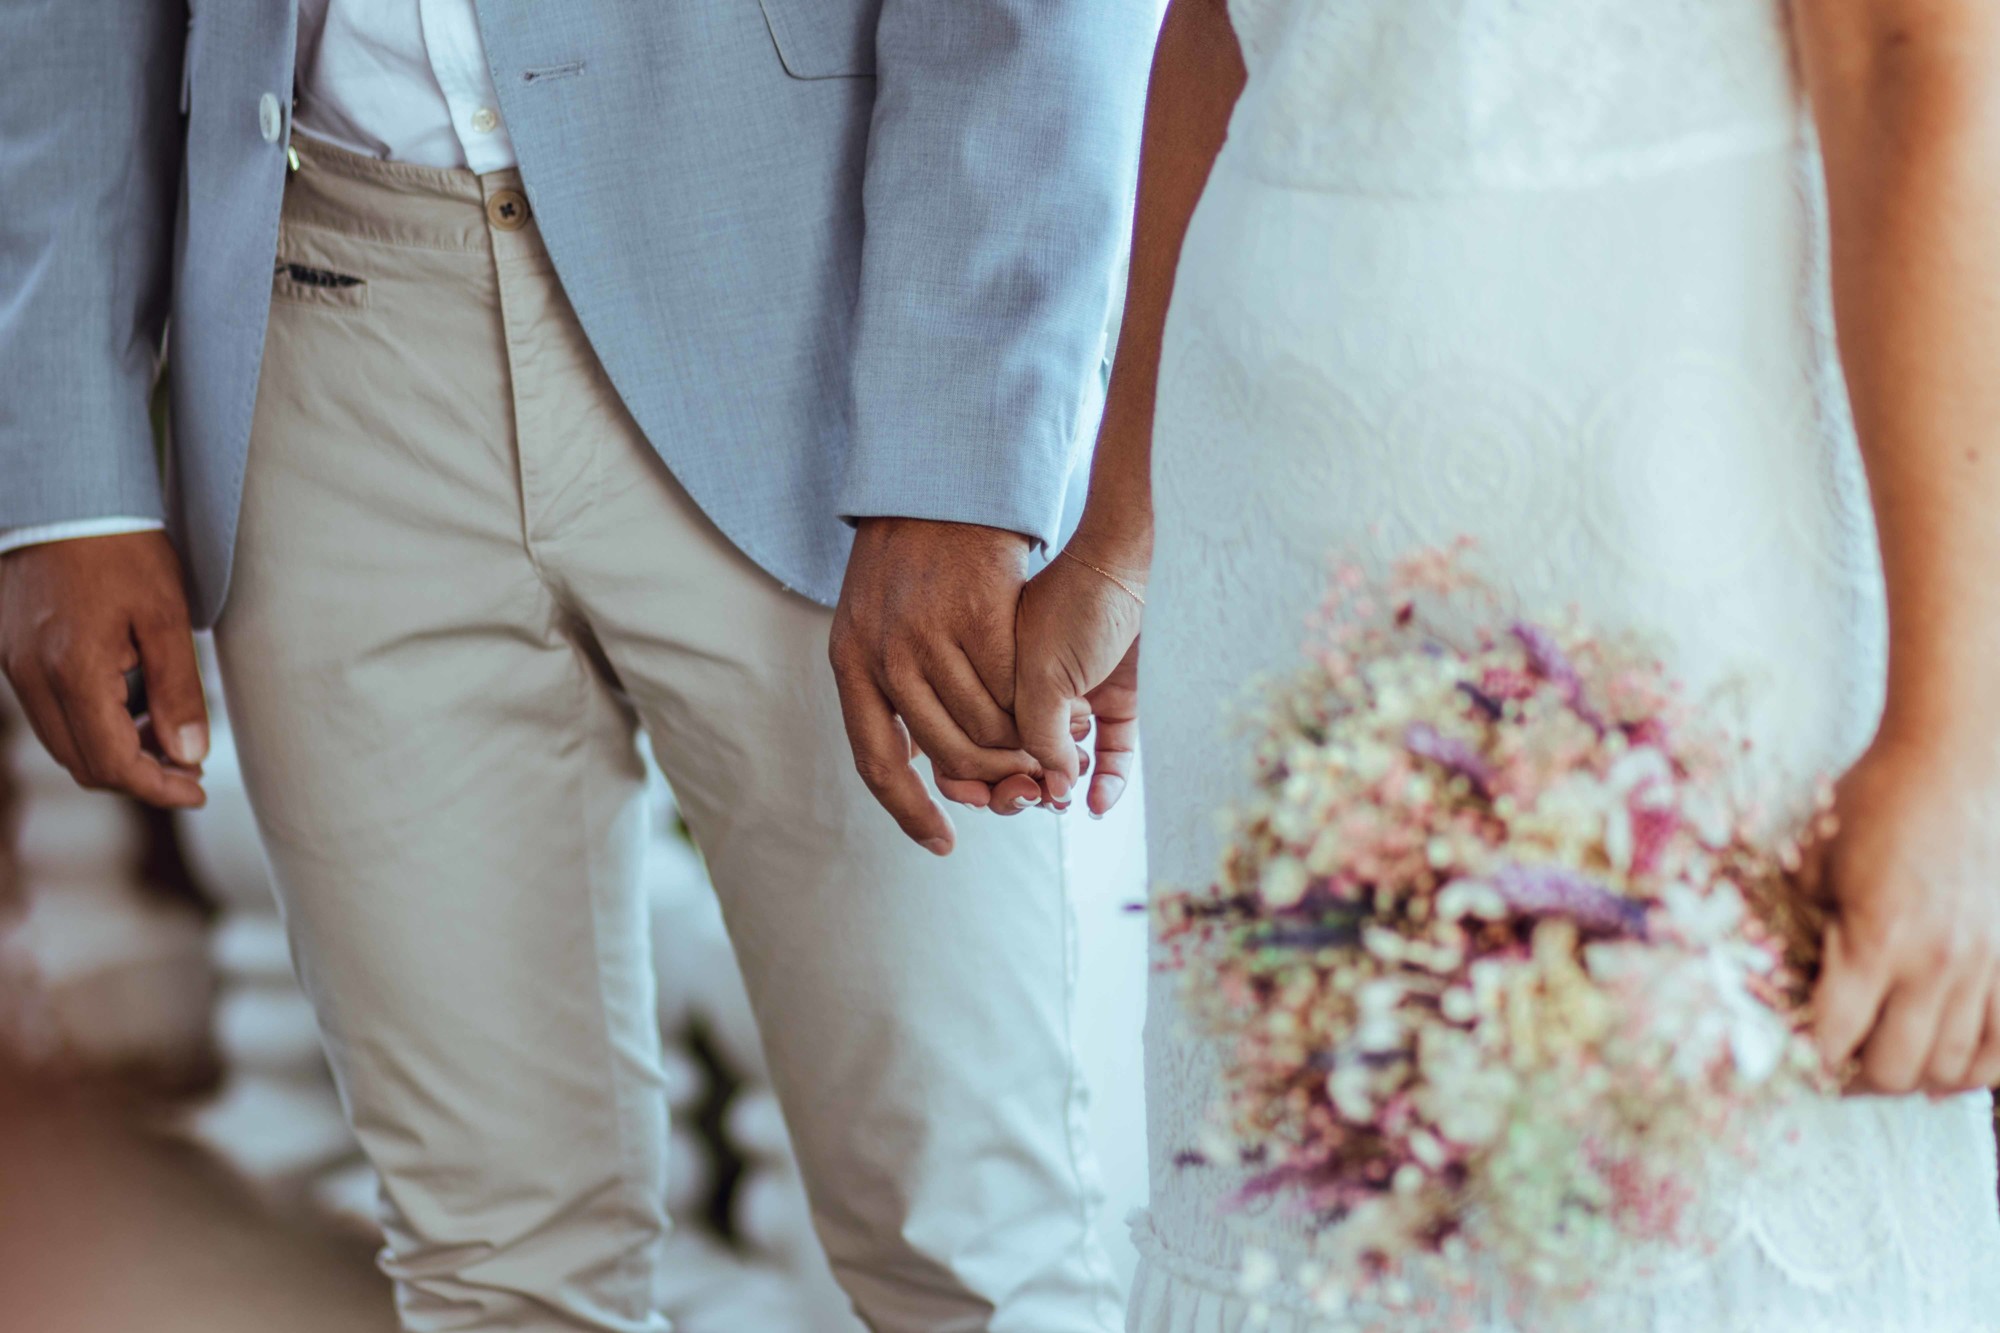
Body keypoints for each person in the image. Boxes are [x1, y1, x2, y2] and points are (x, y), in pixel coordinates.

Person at [0, 3, 1155, 1330]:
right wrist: (63, 476)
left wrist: (963, 453)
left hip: (826, 333)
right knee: (494, 1266)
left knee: (971, 1247)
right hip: (327, 318)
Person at [1005, 0, 2000, 1326]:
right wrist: (1125, 529)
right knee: (1316, 1212)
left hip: (1676, 497)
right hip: (1272, 543)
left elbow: (1910, 51)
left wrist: (1957, 734)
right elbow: (1215, 30)